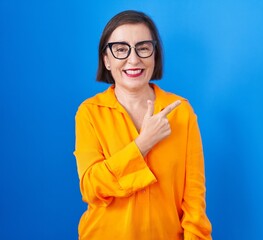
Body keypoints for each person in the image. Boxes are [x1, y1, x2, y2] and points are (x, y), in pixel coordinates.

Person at [74, 10, 212, 240]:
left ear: (154, 55)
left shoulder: (181, 112)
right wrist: (142, 144)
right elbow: (91, 188)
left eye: (143, 47)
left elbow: (194, 201)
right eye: (120, 49)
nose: (134, 59)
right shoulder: (89, 113)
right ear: (106, 59)